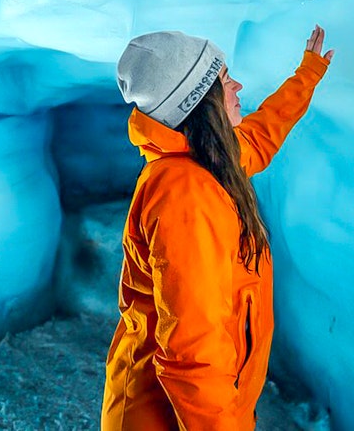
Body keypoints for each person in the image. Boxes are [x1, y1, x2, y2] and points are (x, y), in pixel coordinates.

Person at [101, 26, 334, 431]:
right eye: (226, 80)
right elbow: (193, 355)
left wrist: (306, 76)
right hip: (166, 419)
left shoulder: (204, 161)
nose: (238, 85)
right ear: (200, 103)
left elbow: (258, 140)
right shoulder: (186, 195)